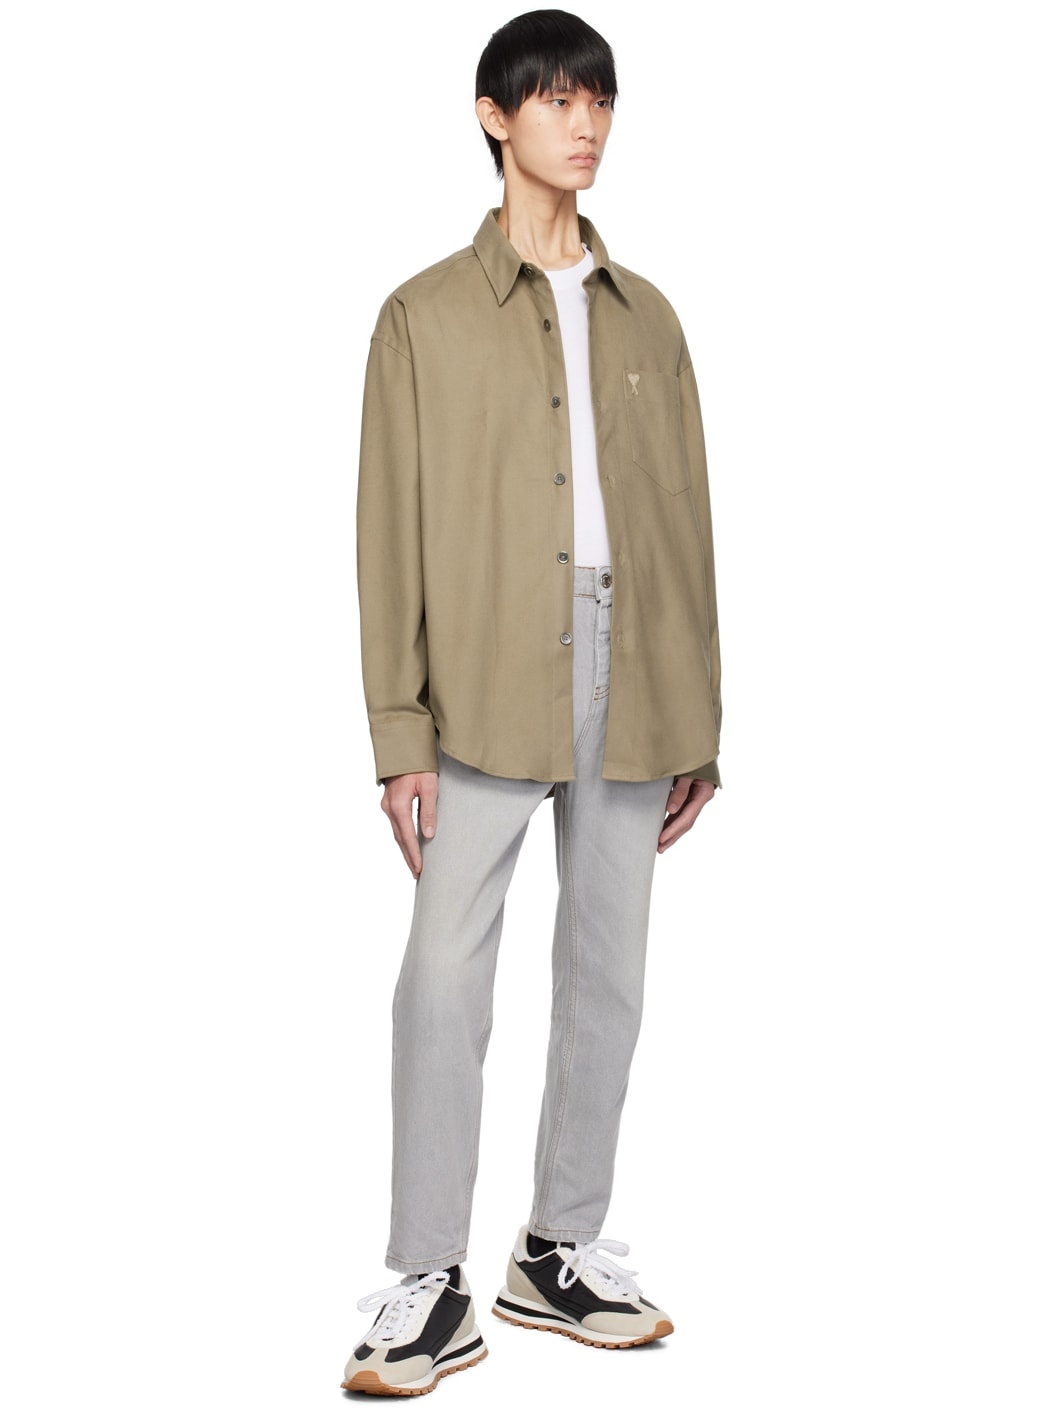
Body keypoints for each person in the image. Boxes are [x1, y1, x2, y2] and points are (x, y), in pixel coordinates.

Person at [342, 8, 723, 1396]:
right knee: (443, 977)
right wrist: (399, 732)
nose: (588, 124)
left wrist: (701, 719)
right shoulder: (422, 316)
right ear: (496, 116)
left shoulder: (650, 316)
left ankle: (557, 1250)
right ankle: (427, 1281)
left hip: (639, 670)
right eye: (559, 99)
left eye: (600, 101)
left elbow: (685, 523)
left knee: (609, 973)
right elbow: (389, 532)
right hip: (486, 668)